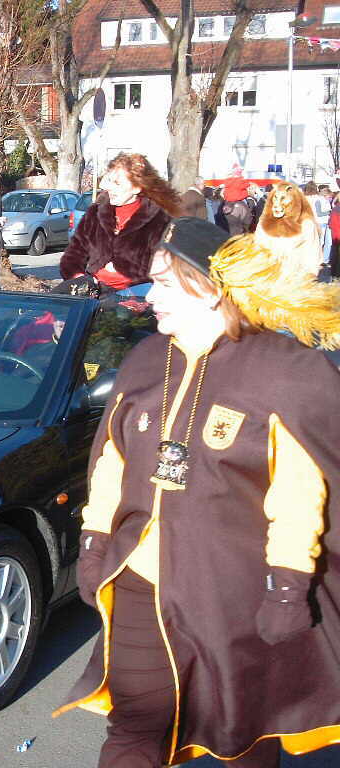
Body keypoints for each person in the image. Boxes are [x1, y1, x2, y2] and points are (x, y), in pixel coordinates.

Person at [57, 217, 340, 768]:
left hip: (235, 594)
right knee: (134, 730)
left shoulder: (282, 372)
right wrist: (94, 544)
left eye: (164, 283)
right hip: (139, 580)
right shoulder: (146, 360)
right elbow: (112, 463)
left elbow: (298, 493)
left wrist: (287, 587)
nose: (149, 295)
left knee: (241, 737)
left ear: (210, 289)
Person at [59, 153, 181, 294]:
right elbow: (73, 256)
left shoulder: (159, 219)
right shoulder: (95, 214)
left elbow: (166, 266)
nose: (109, 187)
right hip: (93, 293)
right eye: (109, 181)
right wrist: (81, 281)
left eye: (117, 183)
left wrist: (121, 270)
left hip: (137, 296)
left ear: (137, 188)